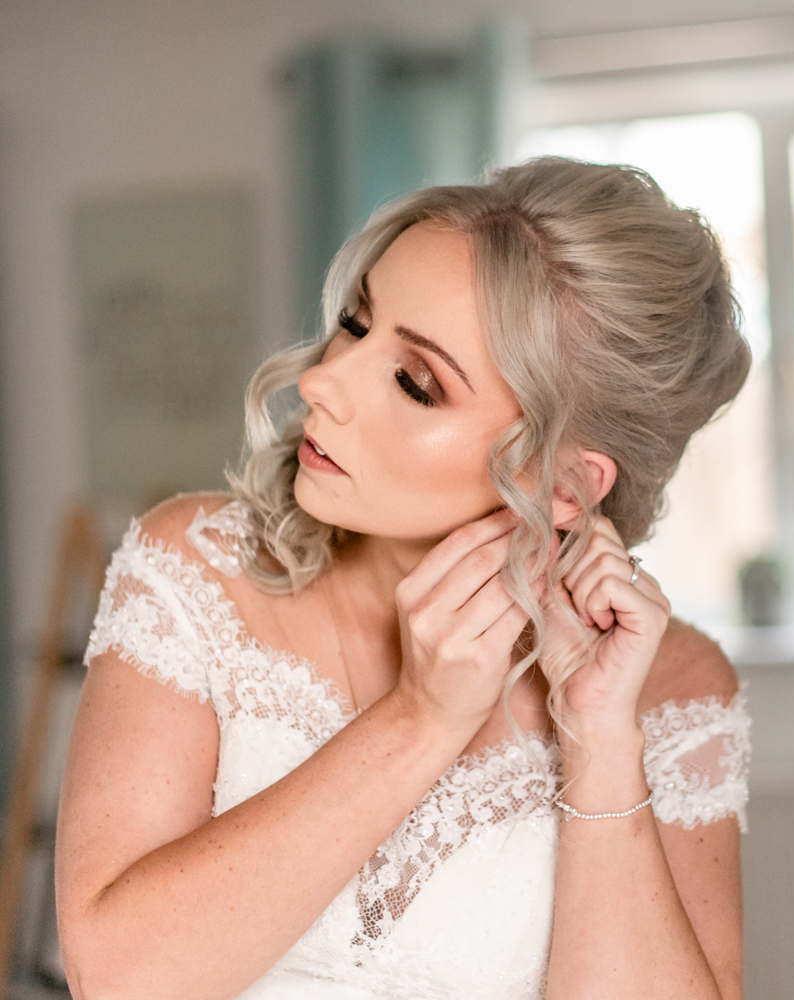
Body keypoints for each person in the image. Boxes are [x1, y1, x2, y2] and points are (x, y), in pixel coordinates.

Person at [55, 157, 752, 1000]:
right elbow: (118, 977)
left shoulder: (674, 690)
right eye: (355, 324)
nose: (318, 381)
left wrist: (600, 743)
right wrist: (421, 719)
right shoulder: (197, 570)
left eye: (415, 384)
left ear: (561, 485)